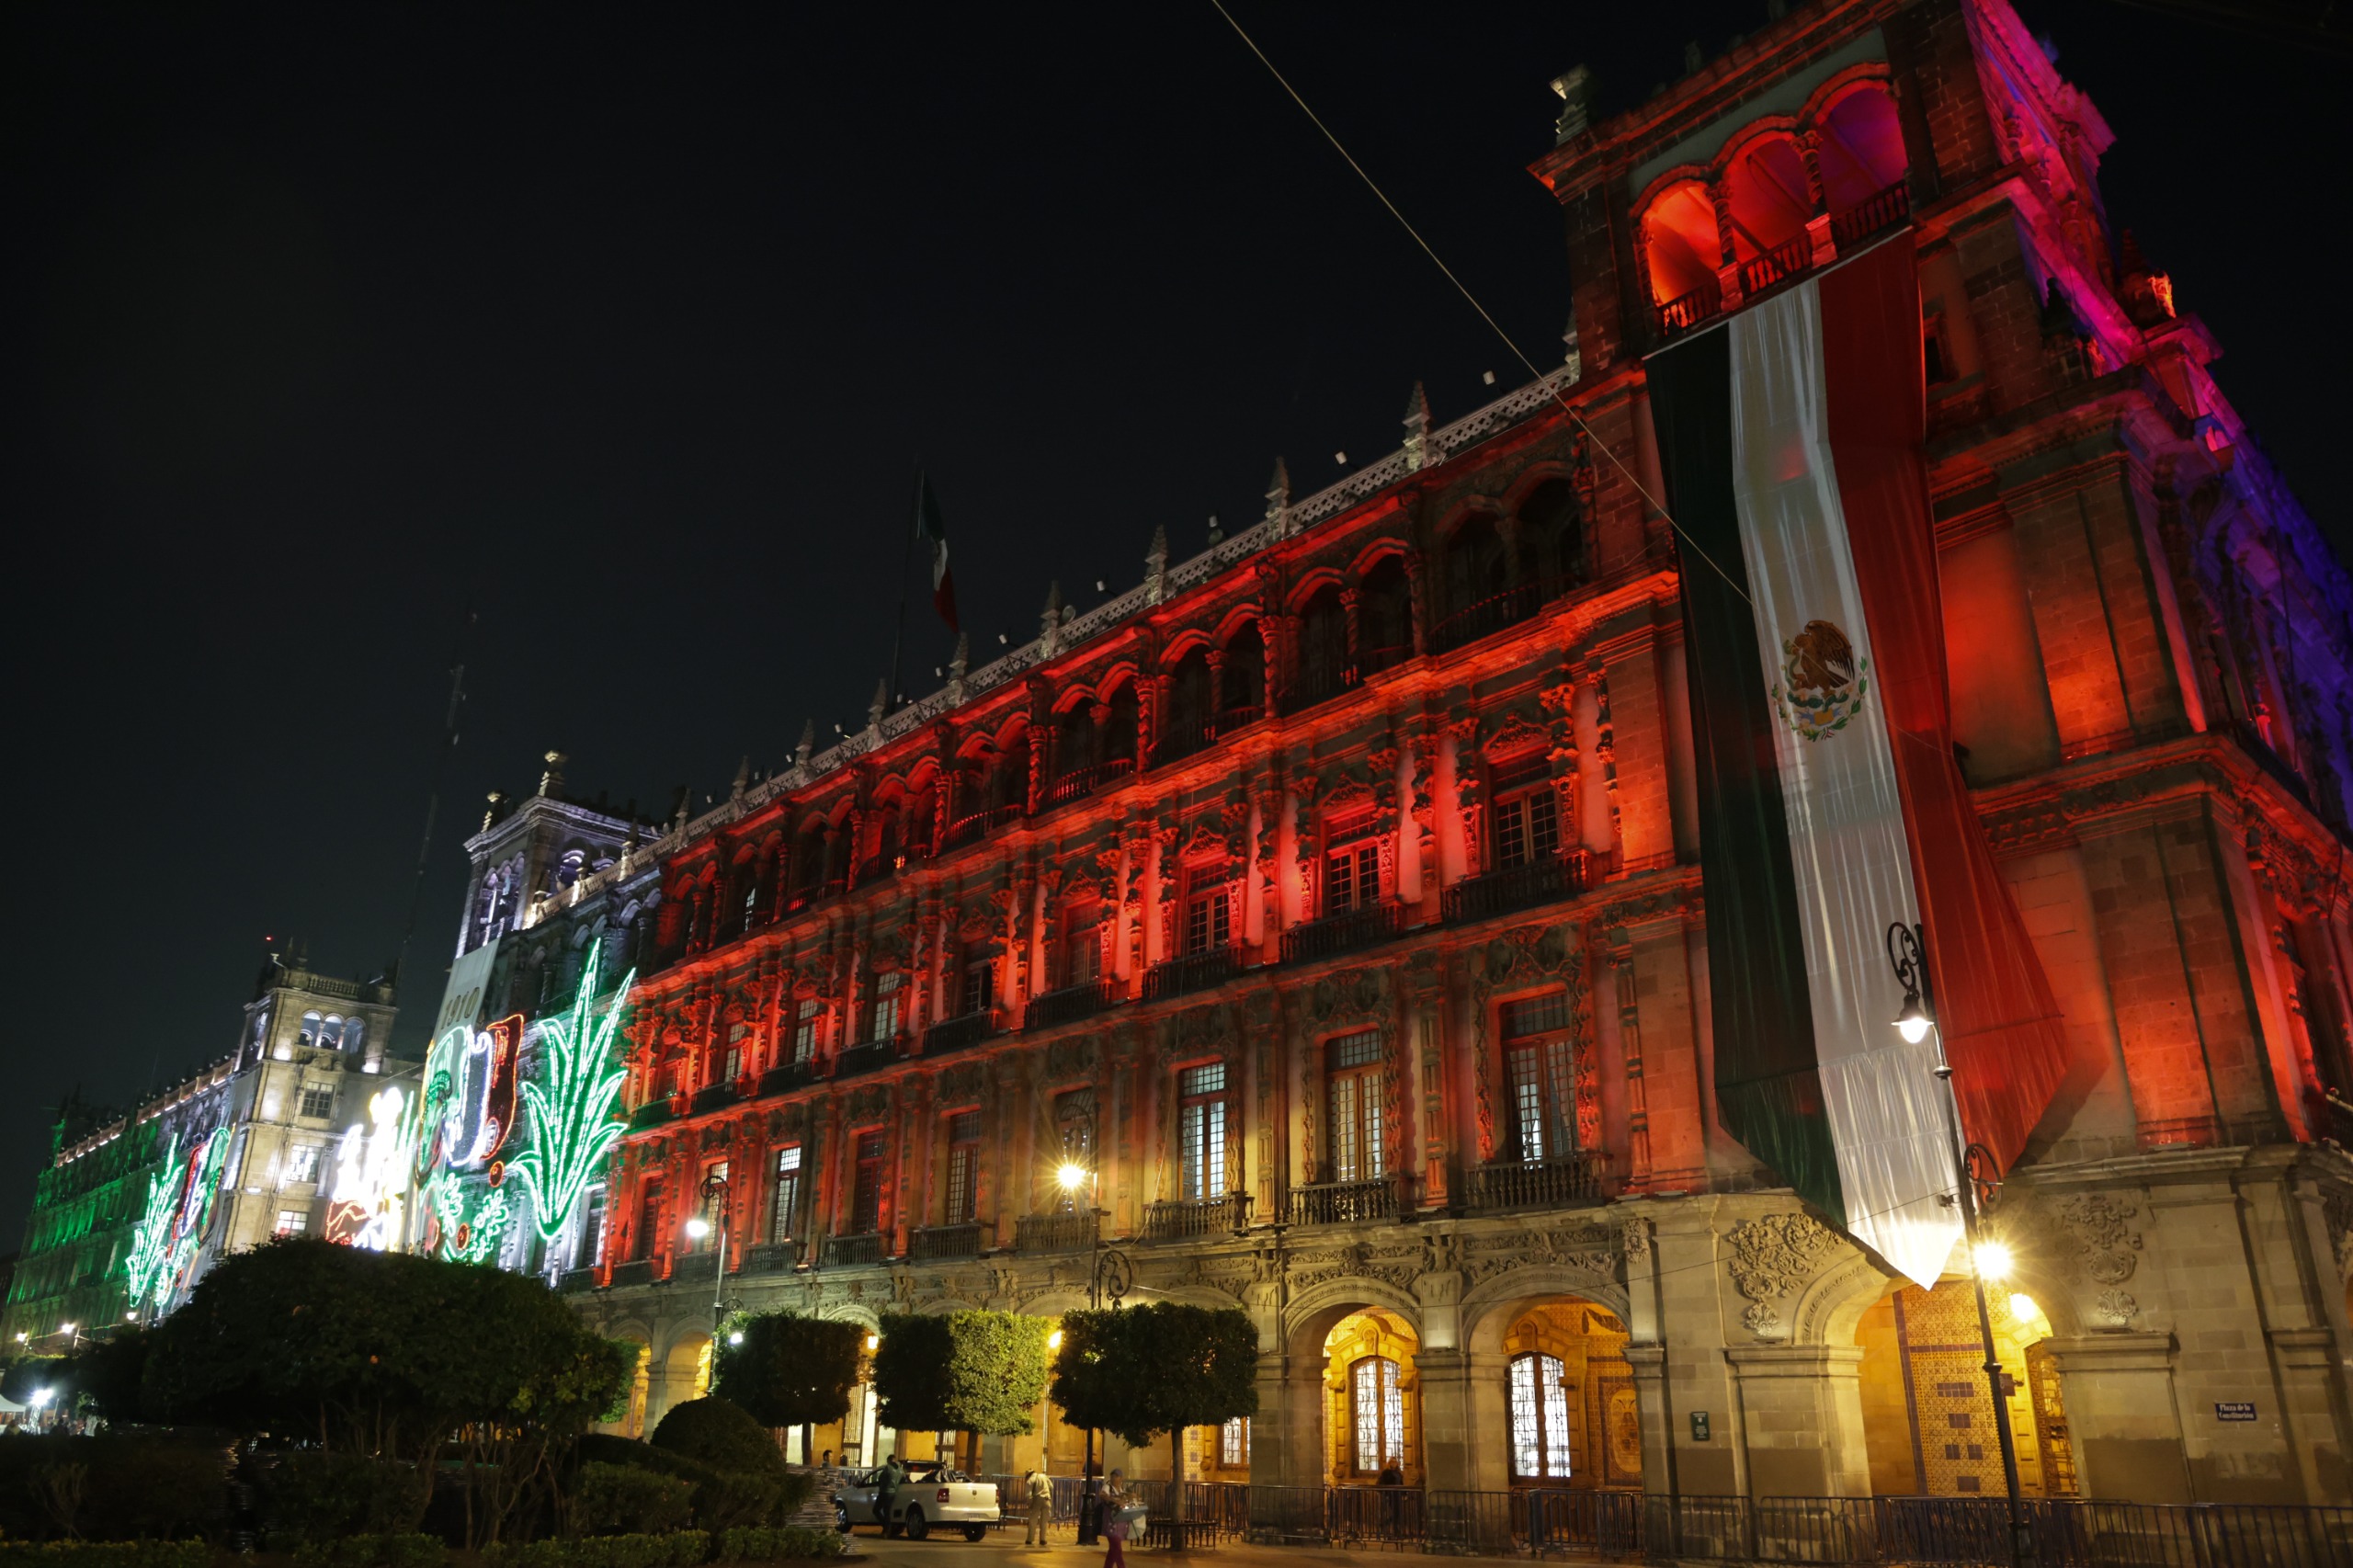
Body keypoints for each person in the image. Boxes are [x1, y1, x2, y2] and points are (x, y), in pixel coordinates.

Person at [1099, 1468, 1131, 1568]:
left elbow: (1126, 1501)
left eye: (1116, 1476)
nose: (1114, 1478)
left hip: (1119, 1524)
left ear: (1121, 1478)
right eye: (1112, 1476)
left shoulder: (1121, 1490)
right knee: (1117, 1548)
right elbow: (1103, 1496)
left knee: (1113, 1550)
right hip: (1110, 1523)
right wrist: (1115, 1500)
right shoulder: (1107, 1487)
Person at [877, 1453, 906, 1535]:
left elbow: (880, 1478)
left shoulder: (888, 1468)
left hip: (884, 1492)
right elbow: (903, 1479)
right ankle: (887, 1528)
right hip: (893, 1492)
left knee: (877, 1510)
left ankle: (887, 1528)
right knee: (887, 1511)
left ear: (889, 1460)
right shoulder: (900, 1470)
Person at [1025, 1468, 1054, 1546]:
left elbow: (1028, 1495)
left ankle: (1030, 1539)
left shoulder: (1030, 1480)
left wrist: (1030, 1504)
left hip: (1037, 1499)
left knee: (1033, 1520)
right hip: (1047, 1499)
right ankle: (1043, 1540)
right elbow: (1051, 1486)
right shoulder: (1043, 1476)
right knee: (1044, 1521)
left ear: (1028, 1475)